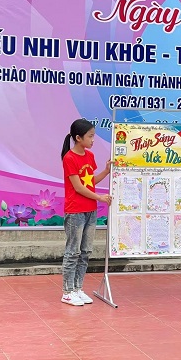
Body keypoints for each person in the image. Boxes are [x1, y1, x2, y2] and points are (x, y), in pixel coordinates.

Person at [60, 118, 112, 306]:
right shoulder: (69, 158)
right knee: (73, 251)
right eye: (90, 136)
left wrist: (106, 171)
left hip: (90, 210)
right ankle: (67, 292)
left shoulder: (89, 156)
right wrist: (100, 198)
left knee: (86, 251)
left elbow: (90, 181)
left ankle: (77, 288)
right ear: (78, 138)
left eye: (93, 136)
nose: (93, 140)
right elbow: (78, 187)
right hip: (76, 211)